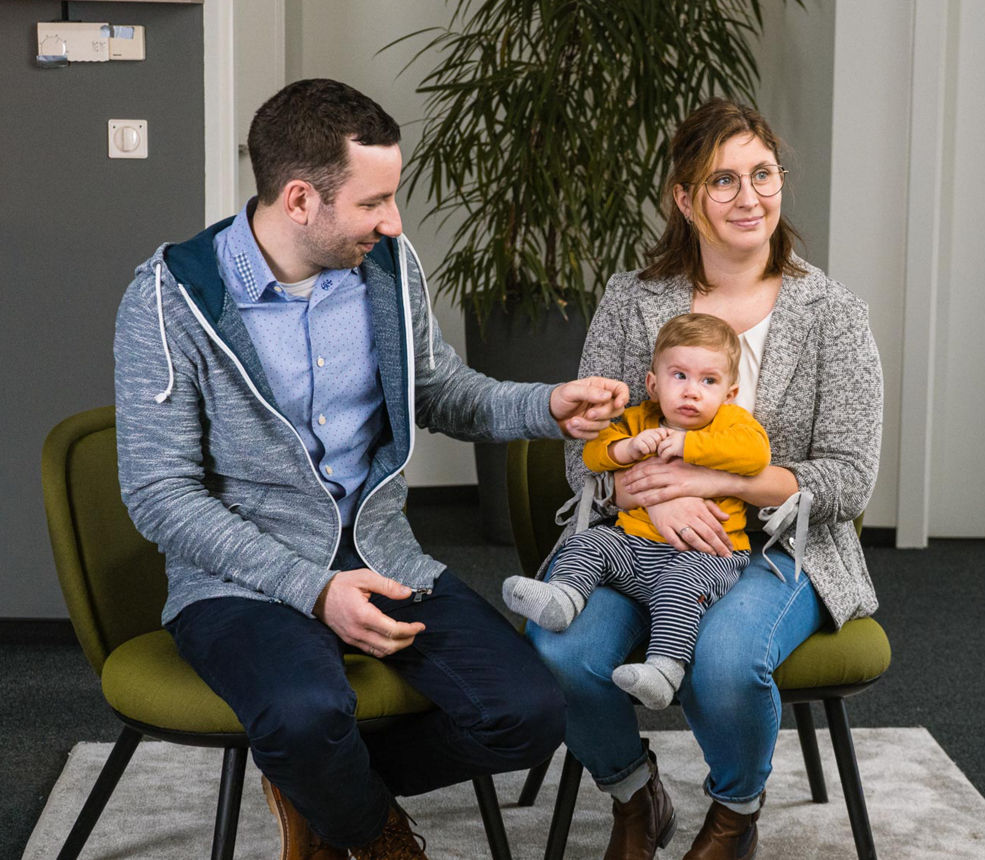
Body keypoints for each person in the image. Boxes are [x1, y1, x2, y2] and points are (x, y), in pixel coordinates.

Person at [113, 78, 628, 860]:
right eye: (374, 201)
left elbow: (439, 391)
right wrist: (315, 591)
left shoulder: (386, 266)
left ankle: (318, 787)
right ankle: (374, 832)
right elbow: (160, 493)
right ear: (299, 200)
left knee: (530, 715)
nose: (394, 221)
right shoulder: (169, 298)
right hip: (240, 581)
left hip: (383, 557)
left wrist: (548, 405)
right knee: (304, 716)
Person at [527, 98, 883, 860]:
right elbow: (584, 449)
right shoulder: (632, 300)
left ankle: (733, 815)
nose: (749, 197)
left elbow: (850, 477)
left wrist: (714, 485)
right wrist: (639, 493)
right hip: (638, 535)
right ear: (685, 200)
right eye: (724, 180)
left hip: (775, 549)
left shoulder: (833, 313)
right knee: (561, 648)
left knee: (723, 663)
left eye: (763, 175)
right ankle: (634, 793)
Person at [502, 312, 771, 710]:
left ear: (729, 394)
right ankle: (563, 598)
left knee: (679, 588)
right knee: (591, 543)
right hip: (635, 545)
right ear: (653, 384)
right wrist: (626, 449)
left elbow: (756, 455)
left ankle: (663, 670)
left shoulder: (732, 423)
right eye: (679, 376)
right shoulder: (637, 419)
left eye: (708, 381)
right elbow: (592, 455)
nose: (692, 392)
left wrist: (688, 446)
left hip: (707, 555)